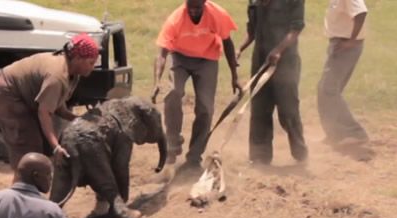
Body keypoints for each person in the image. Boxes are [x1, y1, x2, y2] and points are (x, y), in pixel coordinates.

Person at [0, 34, 99, 169]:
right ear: (77, 58)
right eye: (90, 62)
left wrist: (79, 119)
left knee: (40, 142)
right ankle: (23, 183)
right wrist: (56, 147)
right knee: (28, 147)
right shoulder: (57, 76)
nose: (92, 68)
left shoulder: (71, 72)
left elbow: (58, 107)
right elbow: (44, 112)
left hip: (20, 92)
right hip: (6, 92)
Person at [153, 0, 240, 168]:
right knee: (172, 93)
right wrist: (157, 81)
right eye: (189, 7)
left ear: (205, 4)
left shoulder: (217, 14)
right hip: (179, 56)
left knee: (206, 109)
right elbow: (162, 53)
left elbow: (227, 43)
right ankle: (172, 144)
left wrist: (234, 76)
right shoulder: (176, 19)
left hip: (207, 59)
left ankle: (194, 157)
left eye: (197, 7)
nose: (193, 11)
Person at [237, 0, 308, 165]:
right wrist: (239, 48)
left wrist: (278, 50)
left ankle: (300, 154)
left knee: (288, 109)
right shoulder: (254, 1)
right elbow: (252, 31)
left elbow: (296, 29)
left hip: (285, 62)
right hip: (261, 61)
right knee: (260, 109)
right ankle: (259, 157)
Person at [317, 0, 369, 147]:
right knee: (326, 90)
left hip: (345, 45)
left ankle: (353, 133)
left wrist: (351, 41)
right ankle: (335, 134)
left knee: (328, 89)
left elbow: (361, 13)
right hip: (339, 44)